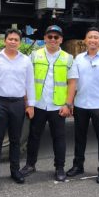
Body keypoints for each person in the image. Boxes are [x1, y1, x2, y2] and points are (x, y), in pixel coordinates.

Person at [20, 25, 74, 182]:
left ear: (61, 40)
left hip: (58, 105)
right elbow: (27, 80)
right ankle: (30, 165)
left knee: (59, 137)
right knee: (34, 136)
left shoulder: (68, 58)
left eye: (56, 37)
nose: (52, 40)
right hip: (38, 104)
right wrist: (28, 103)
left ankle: (60, 167)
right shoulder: (34, 56)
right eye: (49, 36)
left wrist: (68, 105)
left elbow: (72, 83)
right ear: (44, 38)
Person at [66, 27, 99, 184]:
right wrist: (70, 102)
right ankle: (78, 166)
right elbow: (73, 82)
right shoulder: (79, 58)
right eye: (90, 37)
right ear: (85, 40)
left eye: (96, 37)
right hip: (81, 105)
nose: (93, 40)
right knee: (79, 138)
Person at [0, 29, 35, 184]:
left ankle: (15, 171)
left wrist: (30, 105)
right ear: (4, 40)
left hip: (18, 103)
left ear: (19, 42)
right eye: (10, 39)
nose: (13, 42)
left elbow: (29, 84)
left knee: (15, 139)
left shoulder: (25, 60)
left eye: (16, 39)